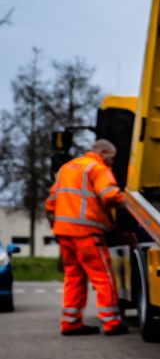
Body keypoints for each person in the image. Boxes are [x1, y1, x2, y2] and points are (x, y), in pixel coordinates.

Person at [45, 139, 128, 336]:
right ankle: (111, 322)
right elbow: (110, 195)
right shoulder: (97, 168)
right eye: (112, 158)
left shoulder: (65, 169)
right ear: (103, 152)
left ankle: (70, 322)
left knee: (73, 277)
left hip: (64, 232)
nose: (112, 162)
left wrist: (56, 226)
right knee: (103, 277)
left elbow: (50, 203)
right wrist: (131, 201)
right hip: (87, 232)